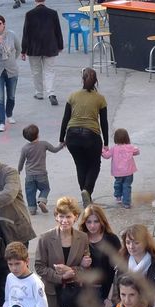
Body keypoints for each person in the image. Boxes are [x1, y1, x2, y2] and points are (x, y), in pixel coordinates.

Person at [59, 68, 108, 207]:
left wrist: (62, 138)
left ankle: (86, 195)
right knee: (94, 164)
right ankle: (87, 191)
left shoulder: (73, 96)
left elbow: (65, 118)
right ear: (96, 81)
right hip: (91, 136)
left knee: (80, 165)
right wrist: (106, 142)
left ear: (82, 80)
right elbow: (104, 122)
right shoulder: (100, 98)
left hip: (72, 136)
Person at [111, 224, 155, 305]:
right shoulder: (121, 265)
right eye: (128, 243)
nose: (131, 246)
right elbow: (116, 295)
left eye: (136, 242)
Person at [21, 0, 64, 106]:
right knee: (50, 71)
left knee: (36, 71)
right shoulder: (53, 13)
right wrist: (60, 45)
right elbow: (58, 30)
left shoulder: (29, 14)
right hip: (50, 46)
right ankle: (51, 93)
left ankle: (39, 93)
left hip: (34, 47)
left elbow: (26, 33)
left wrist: (23, 50)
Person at [18, 124, 65, 215]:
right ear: (38, 134)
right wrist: (62, 145)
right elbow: (55, 150)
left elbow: (21, 161)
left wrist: (19, 170)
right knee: (45, 188)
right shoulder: (44, 144)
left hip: (29, 175)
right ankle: (42, 201)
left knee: (30, 192)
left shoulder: (25, 148)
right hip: (41, 174)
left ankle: (32, 209)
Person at [0, 15, 22, 132]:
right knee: (0, 98)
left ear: (4, 24)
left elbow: (18, 48)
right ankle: (1, 122)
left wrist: (12, 59)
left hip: (12, 69)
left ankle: (9, 114)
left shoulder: (11, 34)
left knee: (11, 96)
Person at [100, 128, 140, 209]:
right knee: (127, 186)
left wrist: (102, 150)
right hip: (129, 172)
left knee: (118, 184)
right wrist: (133, 148)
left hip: (118, 172)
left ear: (115, 138)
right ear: (127, 138)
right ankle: (126, 203)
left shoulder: (114, 148)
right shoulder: (130, 147)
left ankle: (118, 197)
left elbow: (106, 156)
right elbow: (137, 152)